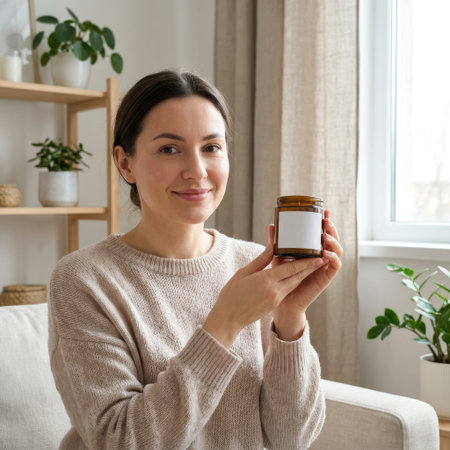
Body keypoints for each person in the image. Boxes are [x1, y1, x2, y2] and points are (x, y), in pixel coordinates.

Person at [48, 70, 343, 449]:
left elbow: (290, 438)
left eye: (211, 147)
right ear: (126, 164)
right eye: (170, 149)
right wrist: (225, 323)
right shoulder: (83, 280)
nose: (197, 171)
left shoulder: (254, 264)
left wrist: (290, 320)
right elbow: (120, 441)